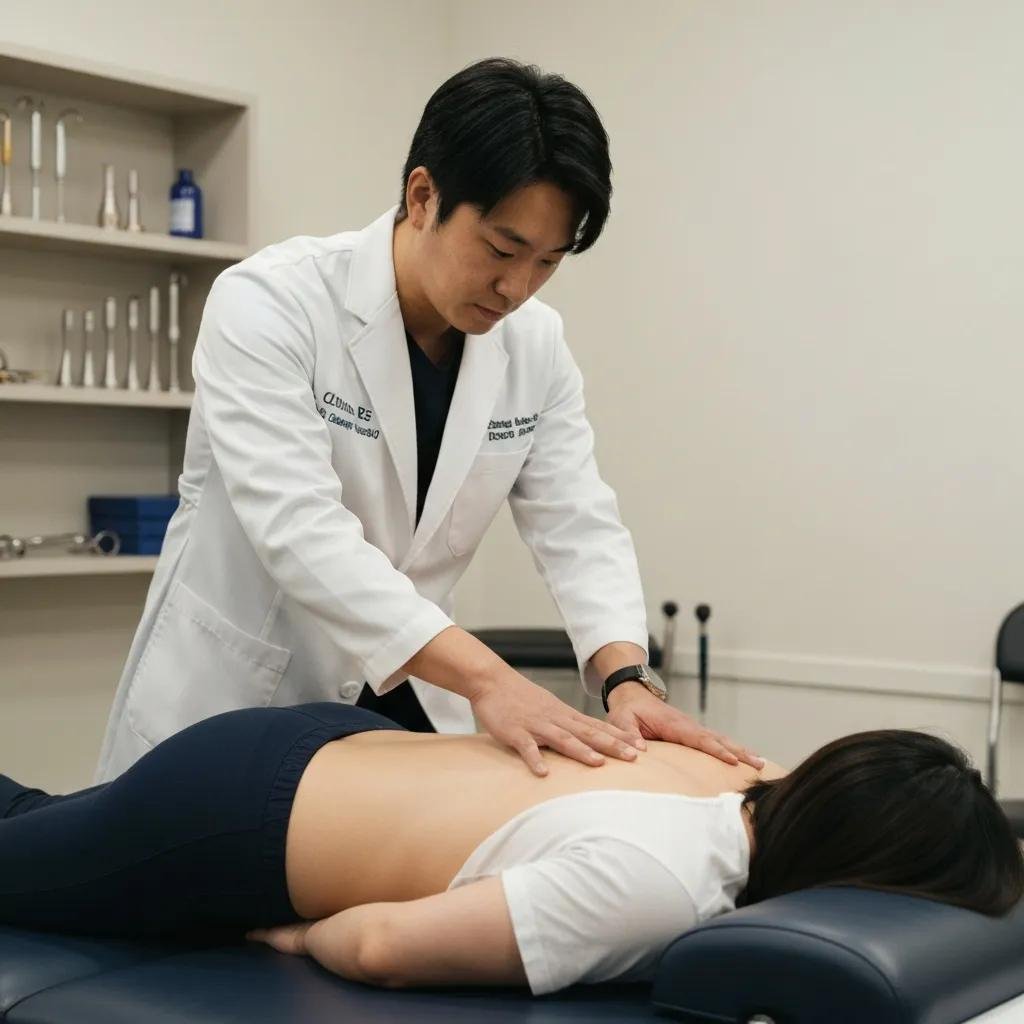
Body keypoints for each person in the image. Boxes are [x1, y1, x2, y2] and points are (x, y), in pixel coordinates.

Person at [93, 56, 763, 783]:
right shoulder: (269, 304)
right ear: (422, 195)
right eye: (502, 250)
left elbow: (578, 525)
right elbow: (298, 529)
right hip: (236, 697)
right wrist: (489, 681)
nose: (517, 288)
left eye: (548, 261)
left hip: (398, 702)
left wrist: (625, 678)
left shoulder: (535, 347)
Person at [1, 704, 1019, 996]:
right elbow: (386, 948)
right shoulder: (659, 885)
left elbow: (882, 788)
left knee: (37, 826)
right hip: (231, 821)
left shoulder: (745, 771)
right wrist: (290, 934)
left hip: (317, 743)